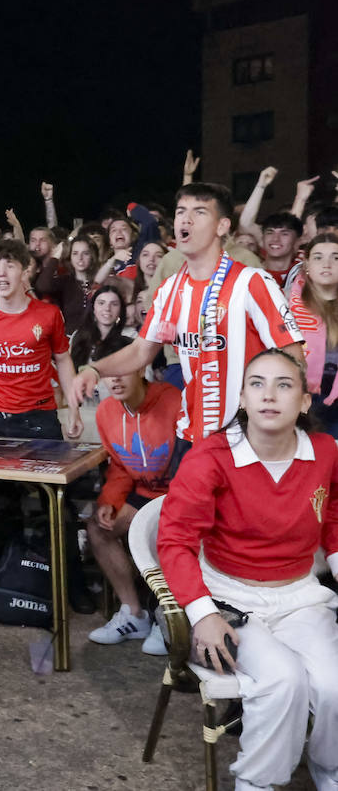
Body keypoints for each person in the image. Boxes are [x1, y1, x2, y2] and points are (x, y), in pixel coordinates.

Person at [157, 348, 338, 791]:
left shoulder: (325, 450)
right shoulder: (211, 457)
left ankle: (329, 768)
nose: (268, 396)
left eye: (284, 385)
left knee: (334, 685)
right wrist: (203, 614)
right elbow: (175, 541)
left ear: (305, 401)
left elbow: (333, 514)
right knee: (284, 681)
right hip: (229, 596)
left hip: (299, 593)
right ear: (241, 398)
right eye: (256, 384)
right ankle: (257, 783)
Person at [72, 182, 304, 445]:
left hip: (249, 436)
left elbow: (293, 356)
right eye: (181, 211)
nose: (186, 219)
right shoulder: (169, 289)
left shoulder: (251, 282)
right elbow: (141, 351)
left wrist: (278, 425)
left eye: (200, 212)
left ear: (222, 226)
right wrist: (94, 370)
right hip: (193, 432)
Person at [83, 334, 181, 652]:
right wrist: (109, 501)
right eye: (108, 373)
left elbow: (194, 464)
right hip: (142, 493)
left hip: (177, 494)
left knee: (168, 532)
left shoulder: (173, 401)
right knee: (98, 529)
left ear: (140, 368)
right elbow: (121, 467)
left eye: (122, 370)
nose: (115, 379)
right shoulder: (106, 413)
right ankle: (134, 614)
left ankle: (167, 618)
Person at [0, 239, 82, 441]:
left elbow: (63, 359)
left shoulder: (49, 314)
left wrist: (74, 407)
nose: (2, 272)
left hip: (41, 416)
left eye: (10, 266)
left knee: (46, 472)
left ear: (24, 272)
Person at [292, 232, 338, 437]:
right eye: (318, 257)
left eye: (336, 257)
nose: (327, 264)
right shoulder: (287, 304)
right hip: (299, 400)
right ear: (307, 266)